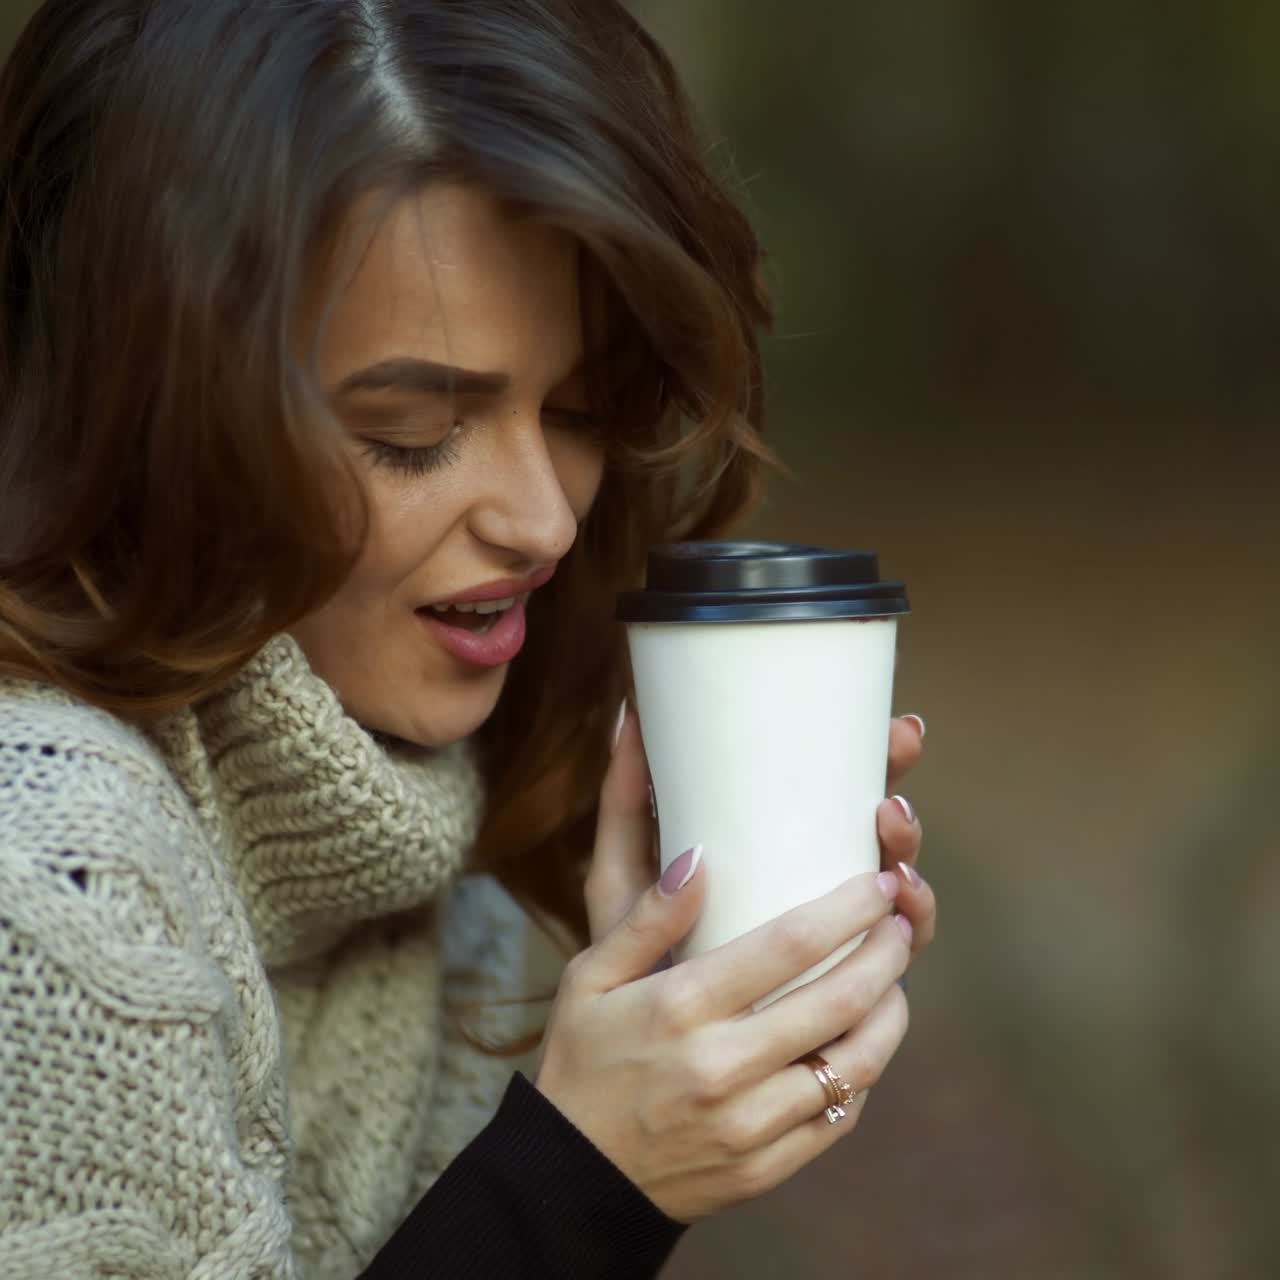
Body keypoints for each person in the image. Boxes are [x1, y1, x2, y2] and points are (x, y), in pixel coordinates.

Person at [0, 1, 937, 1276]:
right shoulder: (45, 876)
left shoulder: (441, 862)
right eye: (412, 428)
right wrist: (581, 1177)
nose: (544, 519)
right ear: (142, 413)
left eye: (580, 410)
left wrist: (671, 1074)